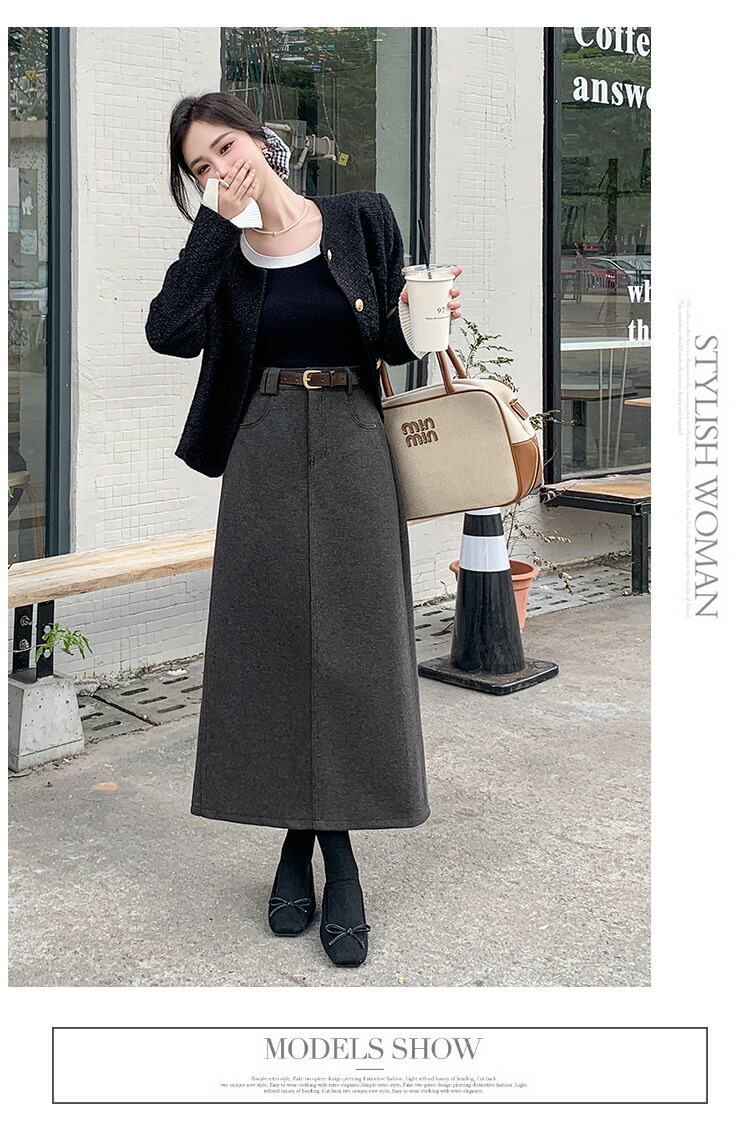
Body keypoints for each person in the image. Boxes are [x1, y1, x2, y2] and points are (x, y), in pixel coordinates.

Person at [145, 92, 462, 968]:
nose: (221, 169)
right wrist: (215, 228)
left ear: (260, 138)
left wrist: (426, 320)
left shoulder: (360, 218)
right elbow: (168, 333)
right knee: (275, 646)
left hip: (356, 439)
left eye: (226, 147)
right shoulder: (222, 255)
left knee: (357, 649)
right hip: (264, 443)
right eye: (201, 168)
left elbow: (391, 347)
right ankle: (314, 849)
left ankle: (324, 853)